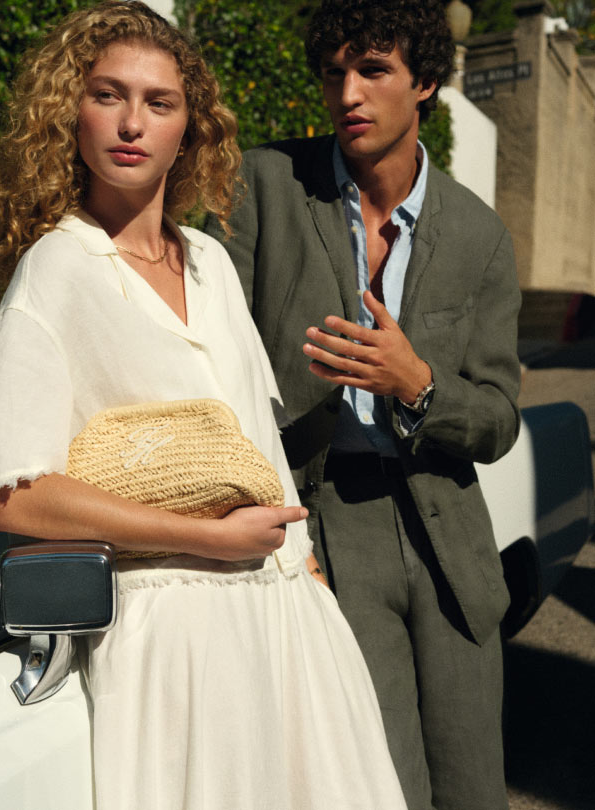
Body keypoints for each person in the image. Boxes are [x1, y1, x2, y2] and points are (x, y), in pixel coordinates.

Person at [0, 3, 407, 809]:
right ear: (70, 112)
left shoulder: (208, 260)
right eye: (108, 95)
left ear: (188, 128)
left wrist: (305, 574)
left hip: (288, 615)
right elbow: (14, 495)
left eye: (159, 103)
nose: (132, 122)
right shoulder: (54, 274)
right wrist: (206, 537)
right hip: (173, 635)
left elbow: (256, 438)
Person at [205, 1, 522, 808]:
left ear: (423, 84)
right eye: (333, 73)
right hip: (328, 521)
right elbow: (216, 368)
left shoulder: (479, 235)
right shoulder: (267, 187)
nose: (348, 93)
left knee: (471, 785)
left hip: (447, 532)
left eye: (373, 70)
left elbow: (497, 418)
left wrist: (419, 386)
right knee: (377, 782)